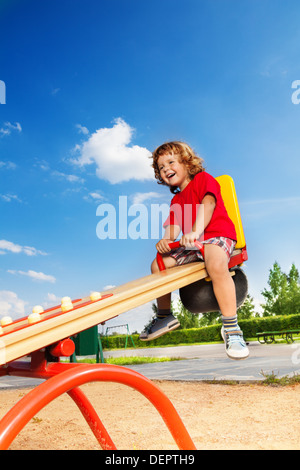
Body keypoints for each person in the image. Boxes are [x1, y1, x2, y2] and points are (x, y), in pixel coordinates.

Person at [139, 141, 249, 360]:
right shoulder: (177, 200)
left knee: (214, 258)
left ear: (187, 164)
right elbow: (173, 227)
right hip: (195, 243)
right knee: (158, 263)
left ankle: (232, 328)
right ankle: (165, 316)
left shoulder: (203, 180)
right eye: (161, 167)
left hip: (218, 235)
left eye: (171, 162)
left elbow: (207, 206)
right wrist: (165, 241)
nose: (166, 169)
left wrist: (197, 230)